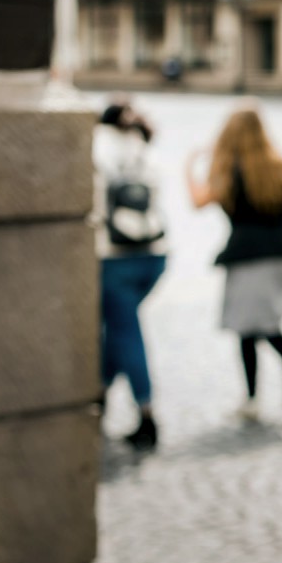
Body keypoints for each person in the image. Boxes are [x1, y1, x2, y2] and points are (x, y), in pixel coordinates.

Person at [185, 104, 282, 420]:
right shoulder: (279, 164)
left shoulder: (231, 169)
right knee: (264, 320)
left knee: (249, 325)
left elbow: (199, 201)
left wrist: (189, 167)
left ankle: (274, 383)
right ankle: (281, 378)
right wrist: (275, 222)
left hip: (247, 253)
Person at [94, 99, 167, 451]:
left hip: (115, 259)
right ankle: (100, 396)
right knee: (121, 328)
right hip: (155, 256)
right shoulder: (146, 148)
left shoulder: (99, 149)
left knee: (125, 330)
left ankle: (147, 414)